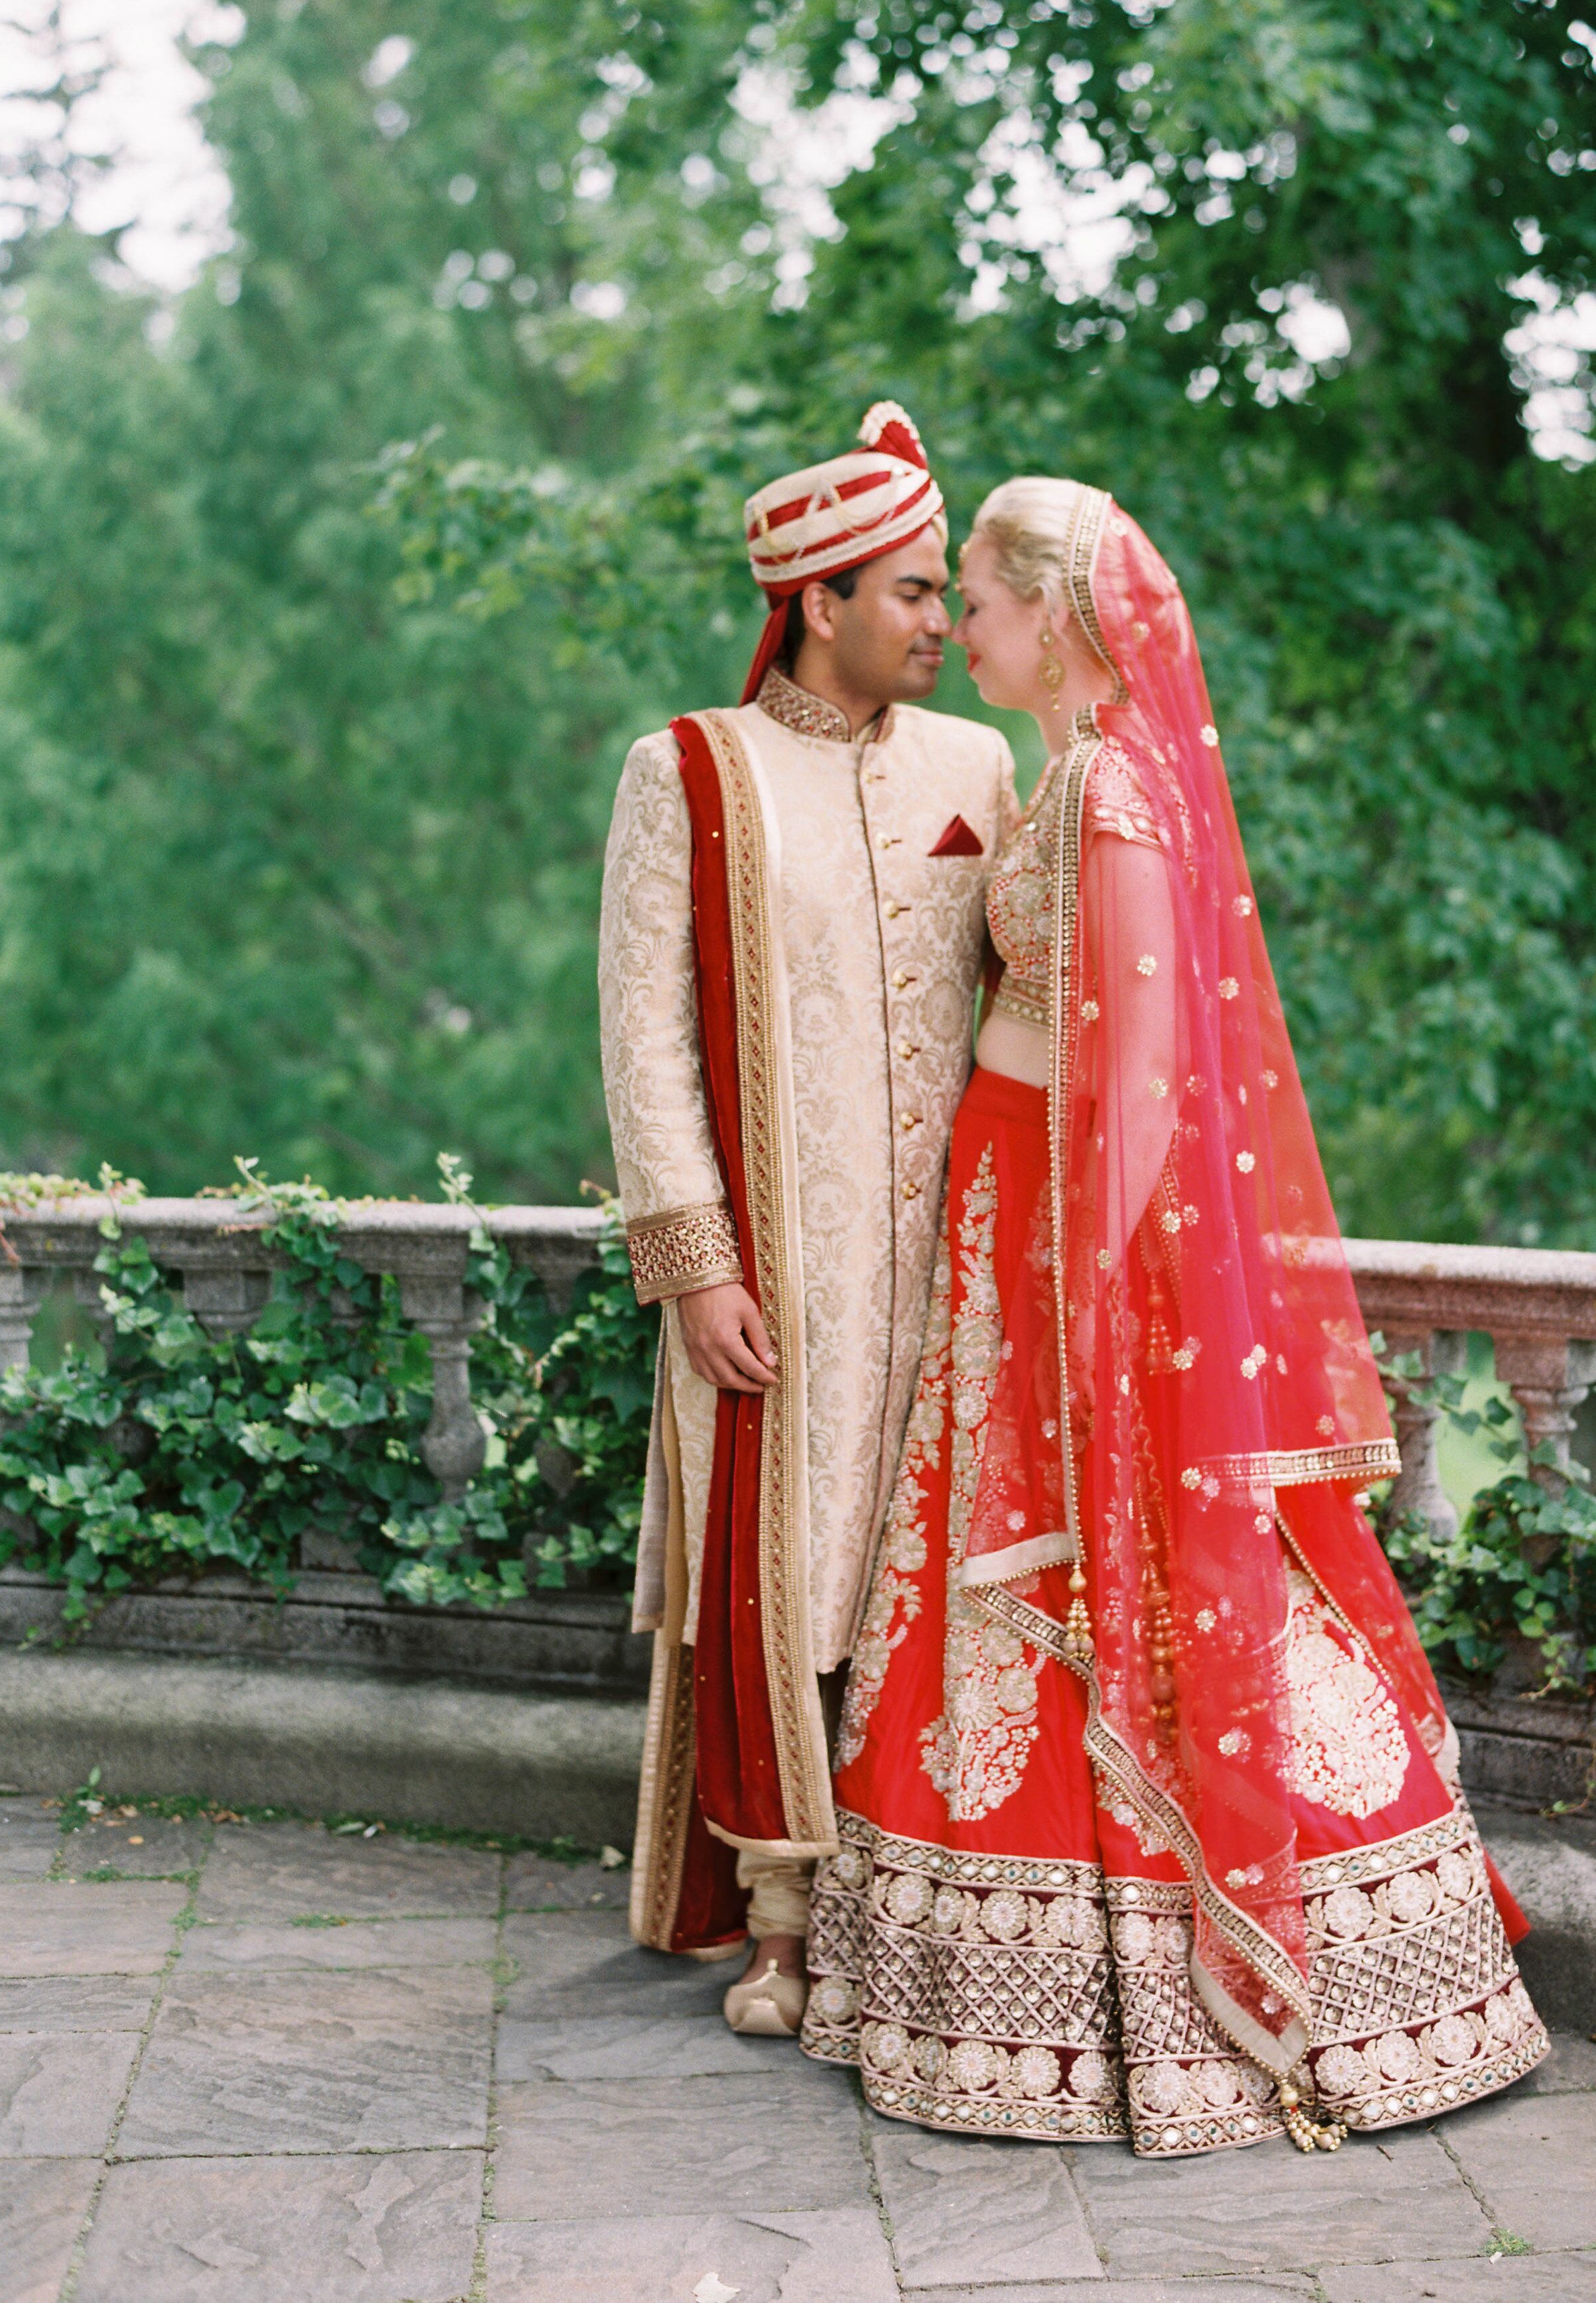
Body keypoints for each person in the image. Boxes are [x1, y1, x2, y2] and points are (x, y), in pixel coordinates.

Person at [801, 477, 1548, 2152]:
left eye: (976, 600)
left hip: (1068, 1242)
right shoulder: (1072, 778)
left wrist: (1071, 1287)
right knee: (1006, 1579)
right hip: (1009, 1217)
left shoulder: (1115, 793)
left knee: (1123, 1575)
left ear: (1050, 611)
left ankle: (1224, 1991)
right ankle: (987, 1990)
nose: (958, 629)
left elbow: (1138, 1073)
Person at [599, 404, 1018, 2035]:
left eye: (942, 592)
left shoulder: (981, 765)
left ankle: (923, 1898)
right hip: (777, 1273)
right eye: (911, 592)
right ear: (819, 601)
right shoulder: (690, 770)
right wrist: (692, 1265)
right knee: (785, 1574)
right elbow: (644, 1036)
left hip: (960, 1268)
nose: (940, 622)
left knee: (933, 1580)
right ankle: (779, 1919)